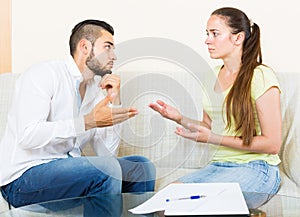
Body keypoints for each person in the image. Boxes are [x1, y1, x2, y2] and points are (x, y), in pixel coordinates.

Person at [0, 19, 156, 208]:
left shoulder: (95, 92)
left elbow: (107, 154)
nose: (114, 56)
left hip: (67, 178)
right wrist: (87, 122)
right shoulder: (44, 74)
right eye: (108, 47)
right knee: (106, 169)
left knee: (141, 166)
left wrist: (114, 101)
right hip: (23, 180)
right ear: (84, 47)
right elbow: (27, 135)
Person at [149, 7, 281, 208]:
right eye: (207, 34)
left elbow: (272, 143)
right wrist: (178, 118)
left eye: (215, 34)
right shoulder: (211, 76)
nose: (207, 40)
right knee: (161, 203)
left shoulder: (261, 76)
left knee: (184, 207)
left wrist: (213, 138)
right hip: (217, 166)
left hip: (257, 168)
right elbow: (209, 127)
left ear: (238, 38)